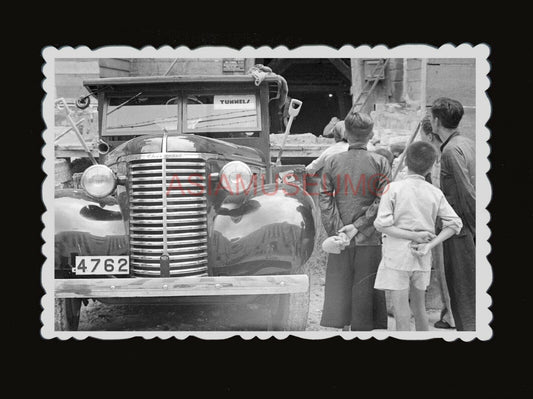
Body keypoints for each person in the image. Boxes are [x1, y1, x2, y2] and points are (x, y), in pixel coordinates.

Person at [373, 141, 463, 331]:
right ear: (431, 167)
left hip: (396, 257)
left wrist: (412, 236)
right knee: (419, 307)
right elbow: (455, 224)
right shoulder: (434, 192)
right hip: (422, 257)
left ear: (405, 161)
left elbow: (381, 224)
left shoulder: (393, 189)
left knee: (401, 310)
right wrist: (429, 243)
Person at [319, 110, 390, 331]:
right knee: (365, 298)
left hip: (341, 240)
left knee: (340, 296)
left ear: (346, 134)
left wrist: (338, 231)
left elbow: (324, 198)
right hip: (369, 239)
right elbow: (383, 200)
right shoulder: (380, 162)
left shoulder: (332, 162)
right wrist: (358, 227)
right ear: (371, 135)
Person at [429, 97, 476, 331]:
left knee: (462, 286)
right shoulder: (466, 142)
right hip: (465, 225)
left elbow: (466, 193)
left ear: (436, 122)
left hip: (461, 228)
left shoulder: (450, 151)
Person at [420, 113, 456, 329]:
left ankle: (451, 315)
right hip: (447, 220)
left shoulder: (438, 158)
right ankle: (449, 313)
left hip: (442, 222)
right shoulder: (447, 151)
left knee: (444, 270)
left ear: (431, 135)